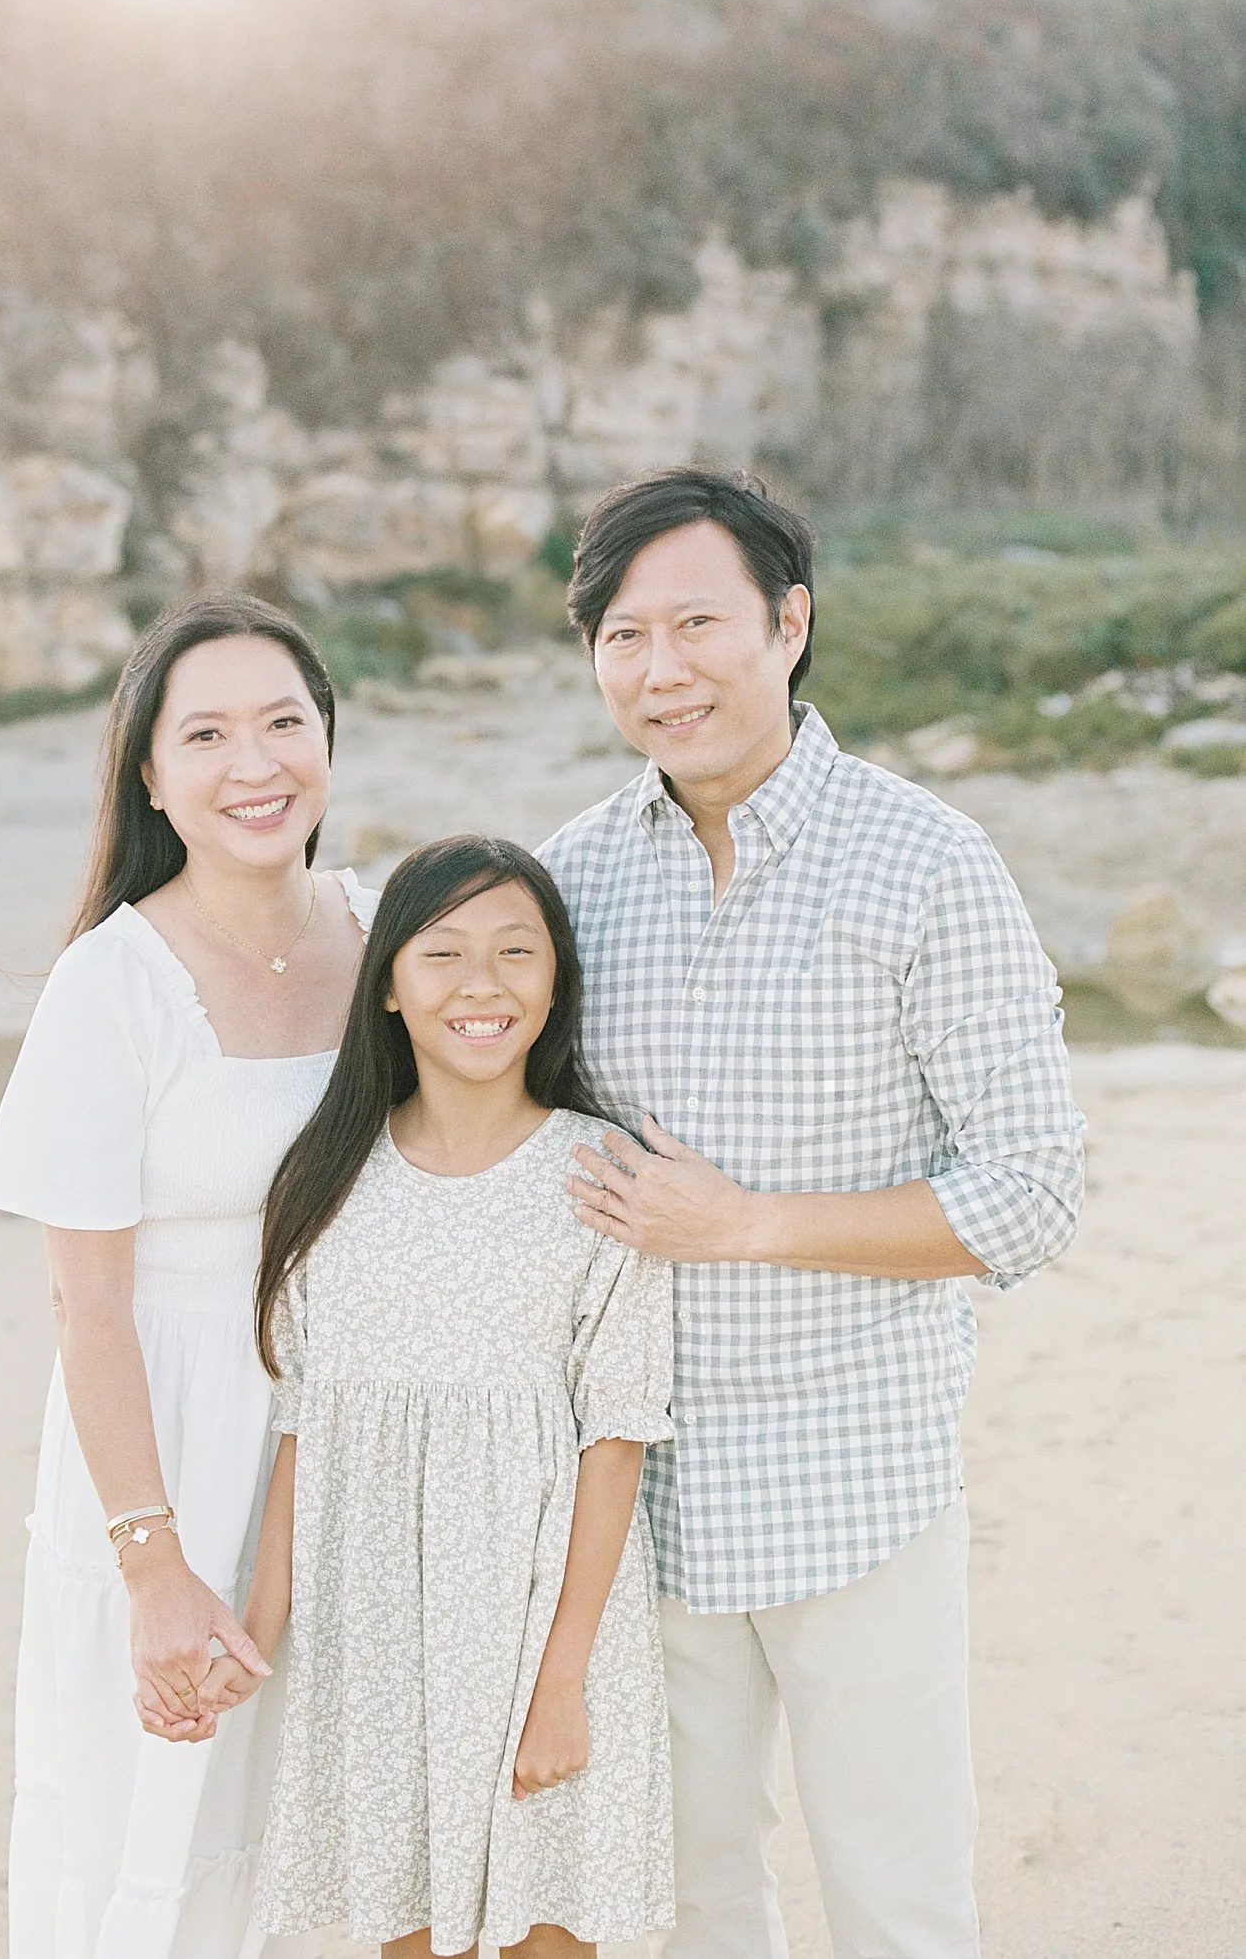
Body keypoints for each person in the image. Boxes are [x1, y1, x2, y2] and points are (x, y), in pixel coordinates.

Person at [536, 468, 1086, 1959]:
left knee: (899, 1901)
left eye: (698, 622)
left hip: (857, 1474)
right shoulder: (572, 881)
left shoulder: (927, 862)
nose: (663, 669)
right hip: (633, 1492)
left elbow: (1032, 1194)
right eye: (624, 635)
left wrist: (747, 1222)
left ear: (788, 625)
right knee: (690, 1903)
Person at [0, 594, 378, 1959]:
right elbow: (88, 1307)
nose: (253, 764)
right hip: (167, 1445)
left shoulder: (393, 935)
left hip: (356, 1443)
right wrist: (151, 1567)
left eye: (283, 723)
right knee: (147, 1836)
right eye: (205, 734)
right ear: (149, 772)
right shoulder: (111, 983)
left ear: (330, 738)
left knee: (332, 1845)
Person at [200, 835, 675, 1959]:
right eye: (444, 951)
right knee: (409, 1936)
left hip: (536, 1637)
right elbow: (304, 1424)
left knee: (550, 1931)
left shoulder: (601, 1174)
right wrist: (261, 1625)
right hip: (377, 1641)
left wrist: (562, 1680)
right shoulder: (327, 1176)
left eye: (517, 949)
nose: (481, 982)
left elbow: (617, 1438)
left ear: (556, 979)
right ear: (392, 989)